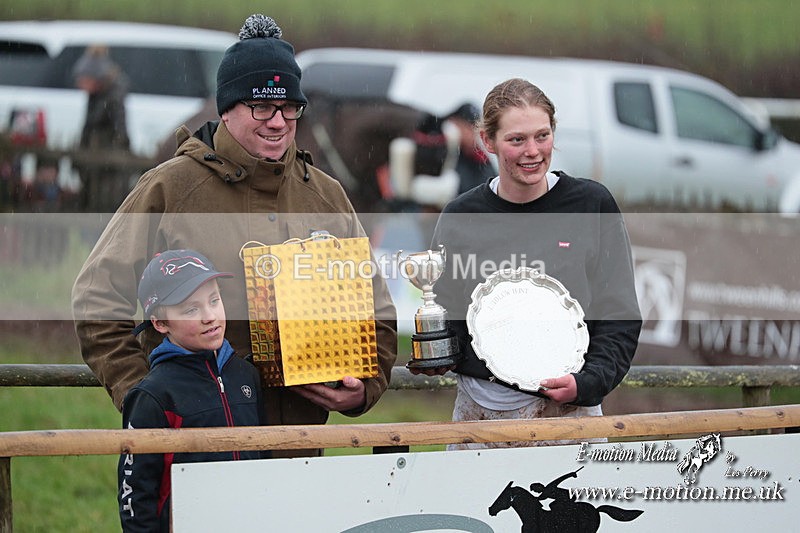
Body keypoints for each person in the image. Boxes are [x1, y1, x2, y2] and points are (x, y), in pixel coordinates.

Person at [72, 14, 397, 458]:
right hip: (195, 450)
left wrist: (364, 388)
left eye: (290, 107)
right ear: (226, 109)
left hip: (299, 451)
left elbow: (376, 311)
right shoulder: (170, 188)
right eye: (261, 106)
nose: (278, 121)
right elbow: (96, 298)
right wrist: (147, 399)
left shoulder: (326, 195)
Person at [412, 78, 641, 449]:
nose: (532, 151)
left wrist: (586, 384)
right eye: (516, 139)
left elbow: (619, 315)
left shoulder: (591, 204)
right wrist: (440, 354)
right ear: (487, 141)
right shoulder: (460, 216)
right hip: (478, 418)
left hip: (569, 417)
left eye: (542, 136)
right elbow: (450, 318)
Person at [119, 249, 265, 532]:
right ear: (160, 323)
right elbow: (135, 492)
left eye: (214, 300)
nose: (209, 316)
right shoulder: (153, 395)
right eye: (191, 309)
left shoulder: (247, 377)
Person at [444, 102, 496, 195]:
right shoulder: (441, 150)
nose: (471, 134)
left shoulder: (479, 158)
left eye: (474, 129)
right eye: (466, 127)